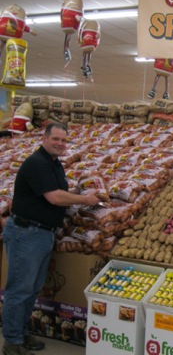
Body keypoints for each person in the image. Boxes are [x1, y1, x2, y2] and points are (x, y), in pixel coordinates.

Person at [1, 123, 100, 355]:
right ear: (45, 138)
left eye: (64, 141)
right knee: (20, 289)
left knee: (32, 288)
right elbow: (54, 197)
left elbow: (60, 193)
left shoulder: (54, 164)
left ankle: (22, 333)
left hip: (42, 234)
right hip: (27, 233)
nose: (60, 144)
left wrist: (84, 192)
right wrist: (84, 200)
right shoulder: (37, 163)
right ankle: (12, 342)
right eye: (56, 138)